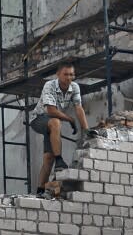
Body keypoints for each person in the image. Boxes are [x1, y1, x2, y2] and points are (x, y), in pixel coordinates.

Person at [28, 60, 89, 195]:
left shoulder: (75, 87)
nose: (69, 78)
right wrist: (70, 119)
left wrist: (86, 130)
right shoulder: (49, 85)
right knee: (56, 122)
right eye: (65, 74)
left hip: (51, 125)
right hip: (38, 119)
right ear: (58, 74)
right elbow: (50, 111)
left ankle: (40, 190)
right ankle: (59, 161)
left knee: (48, 159)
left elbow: (78, 108)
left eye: (71, 75)